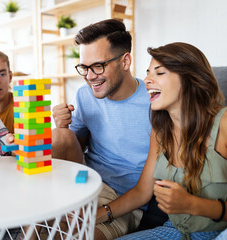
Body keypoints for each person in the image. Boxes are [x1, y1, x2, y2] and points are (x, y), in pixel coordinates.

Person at [52, 19, 154, 239]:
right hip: (85, 183)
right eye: (84, 67)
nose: (89, 76)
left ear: (125, 61)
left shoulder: (154, 102)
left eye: (98, 66)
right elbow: (71, 147)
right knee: (60, 135)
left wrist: (99, 214)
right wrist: (62, 125)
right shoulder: (84, 95)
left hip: (125, 201)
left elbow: (146, 189)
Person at [113, 42, 227, 239]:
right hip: (175, 230)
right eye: (148, 73)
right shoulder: (160, 132)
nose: (147, 80)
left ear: (191, 78)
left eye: (159, 72)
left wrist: (192, 204)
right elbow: (142, 192)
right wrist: (96, 215)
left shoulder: (224, 123)